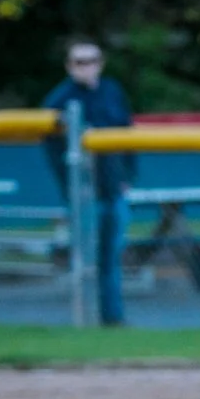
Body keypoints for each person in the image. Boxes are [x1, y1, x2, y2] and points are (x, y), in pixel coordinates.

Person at [43, 38, 137, 326]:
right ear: (69, 66)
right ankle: (85, 317)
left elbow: (128, 135)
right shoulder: (60, 100)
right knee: (87, 257)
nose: (87, 67)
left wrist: (127, 177)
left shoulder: (111, 91)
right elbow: (53, 151)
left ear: (101, 63)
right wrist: (70, 188)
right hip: (84, 192)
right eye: (80, 62)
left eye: (92, 60)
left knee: (111, 255)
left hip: (113, 187)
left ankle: (112, 317)